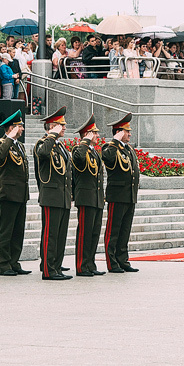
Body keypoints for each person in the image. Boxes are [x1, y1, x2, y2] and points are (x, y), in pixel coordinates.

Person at [34, 106, 73, 280]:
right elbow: (42, 153)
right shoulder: (43, 143)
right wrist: (52, 135)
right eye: (60, 125)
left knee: (60, 234)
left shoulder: (60, 146)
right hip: (51, 196)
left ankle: (56, 265)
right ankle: (49, 270)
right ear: (52, 126)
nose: (64, 128)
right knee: (50, 234)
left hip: (62, 196)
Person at [0, 110, 31, 277]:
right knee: (6, 230)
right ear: (11, 128)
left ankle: (14, 261)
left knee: (18, 230)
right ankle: (4, 264)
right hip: (7, 194)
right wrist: (9, 138)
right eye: (19, 126)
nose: (21, 129)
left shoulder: (19, 146)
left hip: (21, 194)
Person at [103, 113, 140, 274]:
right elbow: (107, 157)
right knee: (113, 230)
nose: (130, 134)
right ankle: (112, 262)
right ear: (119, 132)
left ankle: (123, 259)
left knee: (125, 230)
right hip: (117, 196)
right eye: (127, 131)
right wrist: (115, 140)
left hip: (129, 196)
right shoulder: (110, 148)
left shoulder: (128, 149)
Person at [72, 115, 105, 277]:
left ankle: (90, 263)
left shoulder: (93, 152)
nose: (97, 136)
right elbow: (78, 158)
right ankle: (81, 265)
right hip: (86, 197)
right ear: (87, 134)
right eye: (94, 133)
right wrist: (85, 140)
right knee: (84, 233)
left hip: (96, 198)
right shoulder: (80, 149)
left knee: (93, 233)